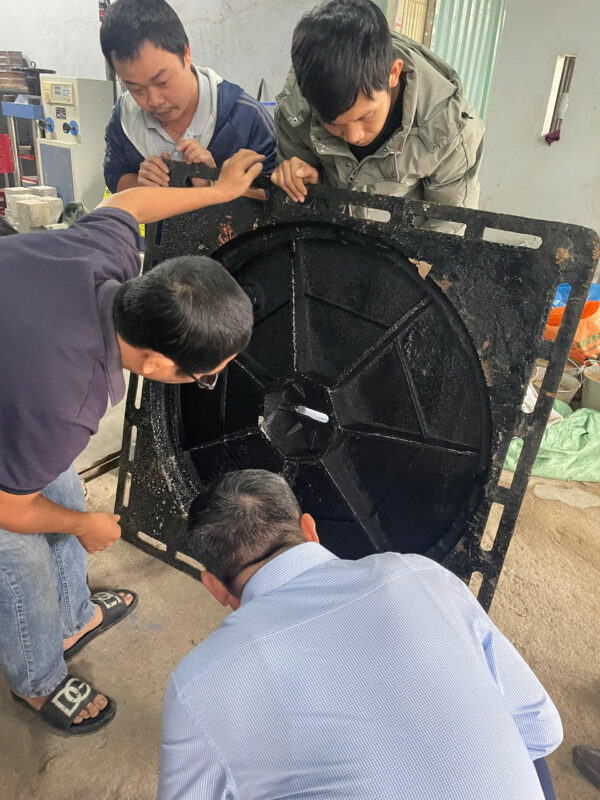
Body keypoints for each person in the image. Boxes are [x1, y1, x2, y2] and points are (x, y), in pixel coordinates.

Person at [0, 149, 264, 736]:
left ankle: (73, 619)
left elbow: (129, 202)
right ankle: (35, 680)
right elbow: (6, 507)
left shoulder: (106, 257)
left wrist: (220, 192)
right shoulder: (67, 401)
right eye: (204, 376)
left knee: (59, 487)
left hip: (13, 371)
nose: (206, 382)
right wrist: (83, 527)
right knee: (20, 557)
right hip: (21, 388)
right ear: (156, 362)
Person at [158, 469, 562, 799]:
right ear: (309, 529)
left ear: (214, 587)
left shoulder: (197, 682)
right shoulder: (419, 573)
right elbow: (541, 729)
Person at [271, 0, 484, 216]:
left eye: (365, 116)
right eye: (334, 124)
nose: (354, 136)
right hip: (329, 232)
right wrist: (309, 189)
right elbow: (294, 213)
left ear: (393, 73)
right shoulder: (296, 111)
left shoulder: (449, 131)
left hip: (405, 236)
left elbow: (449, 224)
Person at [100, 0, 276, 193]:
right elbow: (114, 174)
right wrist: (141, 187)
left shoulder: (246, 117)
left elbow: (274, 195)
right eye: (136, 90)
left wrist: (214, 184)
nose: (154, 101)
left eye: (162, 82)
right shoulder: (124, 120)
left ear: (186, 53)